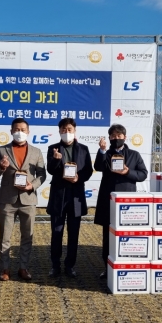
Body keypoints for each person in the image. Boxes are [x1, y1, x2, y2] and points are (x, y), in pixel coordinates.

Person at [0, 118, 46, 281]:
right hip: (8, 199)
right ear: (11, 131)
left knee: (27, 236)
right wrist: (1, 167)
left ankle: (23, 267)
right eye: (16, 129)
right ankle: (5, 268)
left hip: (28, 199)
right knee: (5, 236)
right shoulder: (2, 150)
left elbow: (42, 175)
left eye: (22, 129)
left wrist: (32, 186)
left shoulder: (36, 151)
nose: (19, 132)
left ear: (28, 132)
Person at [94, 124, 148, 278]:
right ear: (109, 138)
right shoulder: (106, 153)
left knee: (127, 234)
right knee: (108, 236)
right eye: (113, 136)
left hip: (127, 201)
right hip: (108, 200)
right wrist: (102, 151)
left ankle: (127, 266)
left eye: (119, 135)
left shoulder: (134, 155)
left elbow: (143, 174)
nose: (116, 138)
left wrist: (128, 172)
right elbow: (98, 167)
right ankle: (107, 268)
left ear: (125, 137)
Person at [46, 118, 93, 278]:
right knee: (56, 233)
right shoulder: (53, 148)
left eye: (69, 129)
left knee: (73, 234)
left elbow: (88, 170)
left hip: (76, 197)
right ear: (59, 131)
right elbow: (50, 170)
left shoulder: (84, 149)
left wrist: (78, 178)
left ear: (74, 130)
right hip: (58, 197)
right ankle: (55, 265)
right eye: (64, 130)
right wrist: (56, 159)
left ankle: (70, 265)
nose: (67, 132)